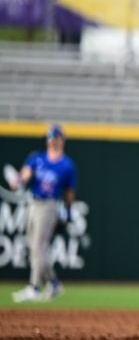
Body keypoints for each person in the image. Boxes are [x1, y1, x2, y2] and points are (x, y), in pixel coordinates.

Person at [11, 124, 76, 303]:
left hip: (49, 206)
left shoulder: (66, 165)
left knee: (39, 245)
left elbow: (69, 192)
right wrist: (18, 181)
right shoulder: (37, 158)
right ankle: (53, 282)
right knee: (34, 247)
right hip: (33, 203)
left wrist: (68, 212)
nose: (52, 141)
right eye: (50, 138)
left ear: (62, 140)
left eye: (55, 138)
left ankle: (34, 287)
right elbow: (24, 175)